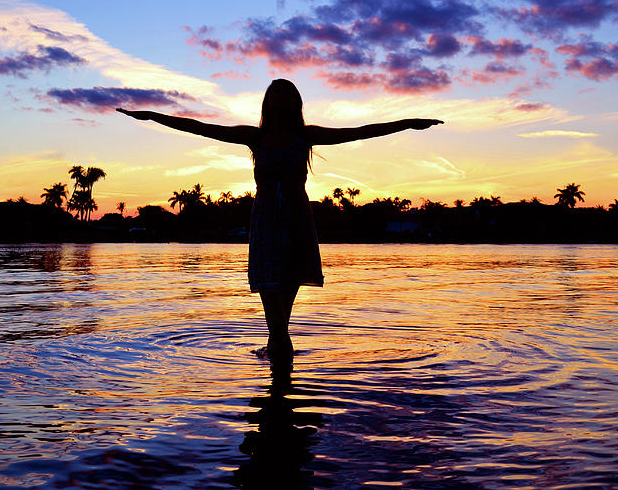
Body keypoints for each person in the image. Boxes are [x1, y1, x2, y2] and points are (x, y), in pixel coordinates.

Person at [117, 78, 442, 363]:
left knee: (280, 321)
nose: (280, 101)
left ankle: (278, 382)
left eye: (285, 96)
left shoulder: (305, 136)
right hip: (267, 227)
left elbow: (358, 132)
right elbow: (200, 127)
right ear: (268, 103)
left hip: (297, 225)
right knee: (277, 322)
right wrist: (151, 116)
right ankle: (280, 383)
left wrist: (408, 123)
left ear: (294, 103)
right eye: (275, 95)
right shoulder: (256, 138)